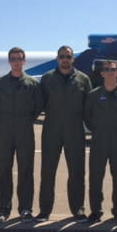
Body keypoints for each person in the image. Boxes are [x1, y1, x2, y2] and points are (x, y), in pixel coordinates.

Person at [36, 46, 92, 222]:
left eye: (68, 56)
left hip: (75, 129)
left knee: (77, 172)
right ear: (57, 59)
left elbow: (89, 107)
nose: (65, 59)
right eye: (62, 57)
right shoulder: (47, 79)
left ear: (73, 59)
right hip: (51, 128)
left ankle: (78, 210)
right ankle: (44, 210)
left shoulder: (83, 79)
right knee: (47, 171)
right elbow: (39, 103)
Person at [0, 47, 43, 222]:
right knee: (3, 169)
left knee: (26, 170)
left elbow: (38, 105)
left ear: (24, 61)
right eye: (13, 59)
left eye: (19, 58)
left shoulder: (32, 84)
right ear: (9, 61)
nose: (16, 61)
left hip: (25, 129)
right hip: (5, 129)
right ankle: (3, 209)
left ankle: (26, 208)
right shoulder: (0, 82)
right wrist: (3, 120)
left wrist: (26, 118)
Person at [84, 61, 117, 224]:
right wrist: (97, 129)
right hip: (99, 139)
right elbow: (87, 116)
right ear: (102, 74)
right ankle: (95, 211)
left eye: (113, 69)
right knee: (95, 177)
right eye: (107, 69)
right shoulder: (93, 95)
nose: (110, 72)